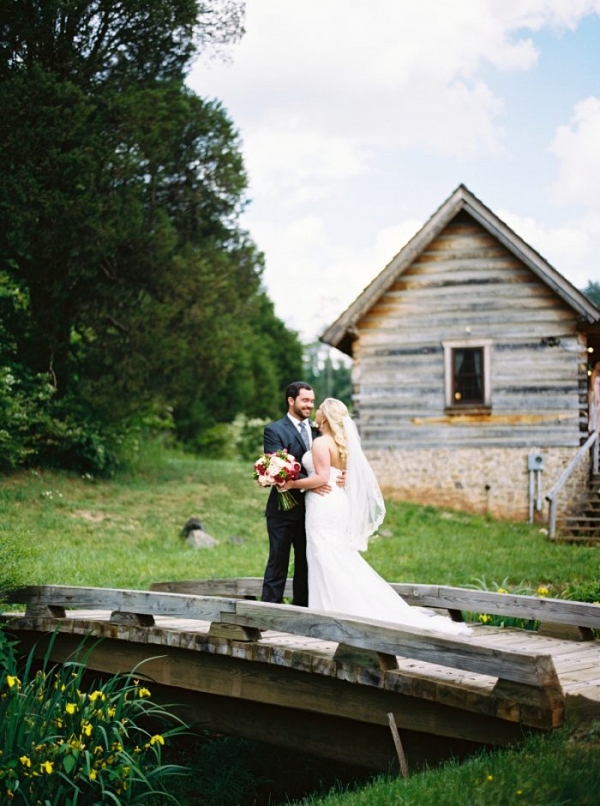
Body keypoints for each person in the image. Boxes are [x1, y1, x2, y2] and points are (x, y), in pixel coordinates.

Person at [281, 398, 472, 635]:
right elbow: (345, 471)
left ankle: (330, 613)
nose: (316, 411)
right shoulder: (342, 443)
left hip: (323, 503)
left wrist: (290, 483)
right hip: (338, 502)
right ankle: (332, 611)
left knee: (323, 554)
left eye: (319, 408)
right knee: (333, 553)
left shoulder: (321, 443)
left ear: (325, 417)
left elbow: (320, 478)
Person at [261, 381, 328, 606]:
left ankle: (302, 611)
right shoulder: (274, 430)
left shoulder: (319, 431)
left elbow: (330, 461)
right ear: (291, 400)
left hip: (312, 510)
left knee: (306, 563)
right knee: (278, 562)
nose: (310, 405)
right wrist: (313, 482)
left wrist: (340, 475)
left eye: (312, 401)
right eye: (305, 400)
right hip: (282, 509)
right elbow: (277, 466)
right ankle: (269, 613)